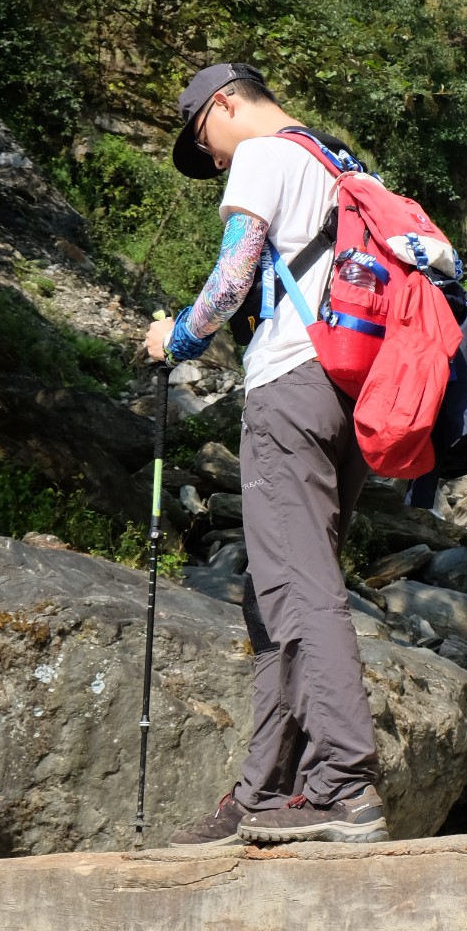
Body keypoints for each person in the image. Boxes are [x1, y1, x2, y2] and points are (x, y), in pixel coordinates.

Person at [145, 62, 388, 848]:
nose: (212, 158)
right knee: (277, 588)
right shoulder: (342, 162)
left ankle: (344, 785)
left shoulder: (262, 153)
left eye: (202, 140)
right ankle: (268, 789)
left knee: (298, 587)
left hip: (292, 382)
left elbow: (231, 276)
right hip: (355, 389)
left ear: (224, 104)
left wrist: (174, 337)